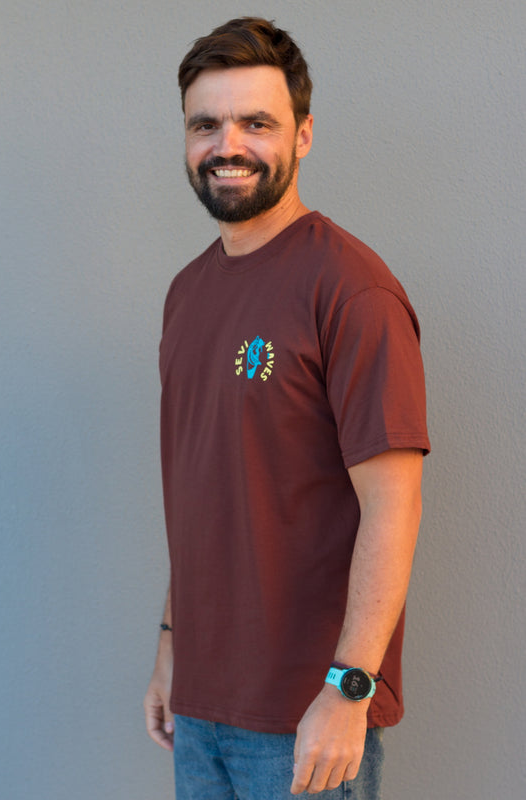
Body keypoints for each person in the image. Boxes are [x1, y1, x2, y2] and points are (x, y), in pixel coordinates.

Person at [144, 16, 430, 800]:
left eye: (256, 123)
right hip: (200, 708)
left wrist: (349, 688)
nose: (227, 145)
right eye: (205, 125)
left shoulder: (350, 290)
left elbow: (394, 505)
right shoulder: (186, 294)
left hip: (306, 718)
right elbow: (205, 491)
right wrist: (171, 645)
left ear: (302, 135)